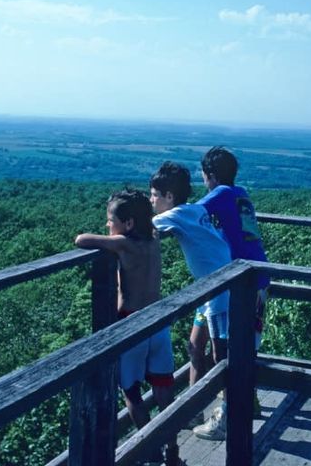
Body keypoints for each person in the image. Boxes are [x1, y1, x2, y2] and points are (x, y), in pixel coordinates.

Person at [74, 188, 178, 465]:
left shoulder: (123, 244)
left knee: (130, 392)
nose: (107, 225)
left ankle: (153, 452)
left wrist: (110, 238)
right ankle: (173, 452)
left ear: (129, 223)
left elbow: (81, 240)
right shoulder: (153, 239)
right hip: (158, 321)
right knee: (163, 389)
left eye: (111, 220)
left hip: (132, 323)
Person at [149, 161, 233, 441]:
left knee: (221, 356)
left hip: (220, 289)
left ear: (169, 196)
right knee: (195, 347)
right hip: (211, 287)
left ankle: (228, 418)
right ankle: (194, 410)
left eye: (154, 195)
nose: (151, 200)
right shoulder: (195, 209)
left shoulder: (174, 215)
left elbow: (140, 230)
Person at [198, 146, 270, 425]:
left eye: (203, 174)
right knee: (248, 343)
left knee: (226, 348)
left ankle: (228, 416)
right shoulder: (241, 192)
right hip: (260, 276)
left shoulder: (221, 193)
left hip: (240, 281)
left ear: (211, 175)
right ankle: (249, 399)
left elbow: (190, 214)